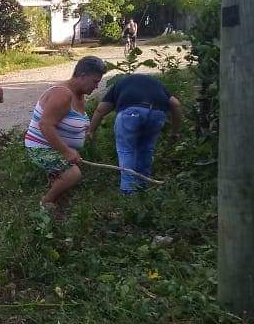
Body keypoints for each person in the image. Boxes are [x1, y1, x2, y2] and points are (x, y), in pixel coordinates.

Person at [25, 56, 107, 213]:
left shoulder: (79, 95)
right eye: (95, 81)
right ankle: (46, 201)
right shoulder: (63, 94)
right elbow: (45, 125)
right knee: (73, 174)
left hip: (55, 148)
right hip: (39, 148)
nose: (96, 86)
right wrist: (66, 151)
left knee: (70, 172)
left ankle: (54, 177)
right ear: (83, 76)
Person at [88, 73, 183, 194]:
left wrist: (91, 131)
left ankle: (128, 190)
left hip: (130, 114)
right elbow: (176, 104)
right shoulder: (157, 84)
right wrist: (175, 132)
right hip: (157, 115)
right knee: (146, 149)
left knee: (126, 151)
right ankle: (143, 186)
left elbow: (100, 110)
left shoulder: (120, 84)